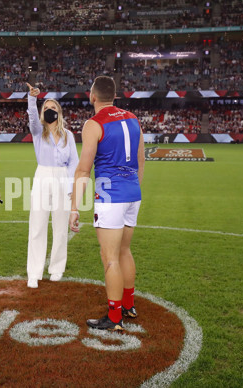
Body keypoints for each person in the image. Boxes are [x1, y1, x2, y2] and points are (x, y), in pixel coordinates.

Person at [69, 76, 145, 332]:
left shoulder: (93, 124)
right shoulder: (133, 119)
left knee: (110, 258)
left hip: (110, 197)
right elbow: (141, 161)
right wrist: (133, 188)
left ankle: (114, 318)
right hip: (132, 193)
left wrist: (73, 207)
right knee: (125, 251)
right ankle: (128, 304)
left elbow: (83, 170)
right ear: (114, 96)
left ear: (92, 96)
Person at [26, 82, 79, 288]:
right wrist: (32, 99)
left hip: (63, 178)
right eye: (46, 108)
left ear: (59, 112)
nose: (49, 110)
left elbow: (74, 163)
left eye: (53, 108)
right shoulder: (38, 132)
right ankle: (34, 272)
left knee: (60, 226)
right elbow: (32, 118)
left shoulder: (69, 136)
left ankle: (57, 268)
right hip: (43, 176)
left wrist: (70, 188)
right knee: (37, 225)